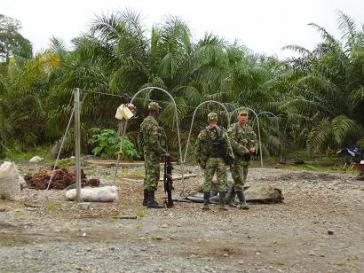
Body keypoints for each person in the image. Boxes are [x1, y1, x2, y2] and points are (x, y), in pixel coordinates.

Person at [196, 112, 234, 211]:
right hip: (221, 160)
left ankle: (206, 204)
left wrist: (199, 160)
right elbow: (228, 146)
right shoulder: (222, 131)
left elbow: (198, 147)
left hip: (209, 160)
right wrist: (230, 159)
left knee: (207, 181)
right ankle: (222, 205)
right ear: (216, 120)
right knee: (222, 181)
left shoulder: (203, 133)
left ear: (208, 120)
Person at [138, 101, 169, 209]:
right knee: (153, 175)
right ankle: (151, 201)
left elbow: (140, 139)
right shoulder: (153, 123)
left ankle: (146, 199)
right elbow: (154, 141)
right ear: (156, 111)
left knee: (148, 174)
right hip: (152, 153)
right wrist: (163, 152)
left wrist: (142, 151)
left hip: (147, 152)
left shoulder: (144, 122)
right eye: (158, 110)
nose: (159, 111)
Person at [226, 107, 257, 209]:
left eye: (245, 116)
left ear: (248, 118)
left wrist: (253, 148)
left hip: (246, 160)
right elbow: (230, 140)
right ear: (238, 117)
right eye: (241, 116)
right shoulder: (233, 127)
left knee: (240, 180)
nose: (243, 118)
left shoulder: (249, 129)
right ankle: (243, 203)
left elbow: (254, 140)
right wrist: (243, 149)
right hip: (236, 159)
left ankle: (229, 199)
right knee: (239, 180)